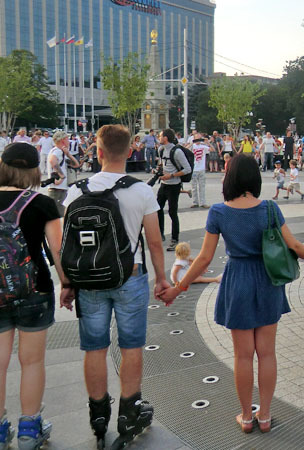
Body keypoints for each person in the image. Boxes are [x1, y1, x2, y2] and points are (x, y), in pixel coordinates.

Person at [157, 154, 304, 433]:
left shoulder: (219, 212)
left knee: (243, 356)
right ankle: (266, 416)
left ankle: (247, 417)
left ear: (230, 178)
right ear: (255, 178)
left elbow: (204, 258)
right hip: (268, 281)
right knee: (267, 354)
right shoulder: (269, 209)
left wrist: (178, 288)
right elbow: (295, 247)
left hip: (237, 281)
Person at [61, 124, 170, 449]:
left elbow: (69, 244)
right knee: (131, 345)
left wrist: (67, 282)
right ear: (130, 151)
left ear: (98, 151)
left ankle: (98, 416)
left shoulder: (76, 191)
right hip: (130, 276)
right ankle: (129, 412)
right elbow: (154, 242)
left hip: (89, 280)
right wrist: (161, 279)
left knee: (94, 347)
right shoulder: (141, 191)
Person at [0, 143, 66, 450]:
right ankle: (29, 429)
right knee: (32, 361)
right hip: (35, 289)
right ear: (33, 170)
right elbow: (57, 250)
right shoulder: (42, 203)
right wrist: (67, 284)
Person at [156, 129, 192, 251]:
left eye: (160, 136)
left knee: (172, 212)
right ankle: (160, 234)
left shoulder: (177, 152)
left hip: (174, 185)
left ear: (165, 138)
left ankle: (174, 239)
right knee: (157, 208)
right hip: (164, 184)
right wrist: (159, 170)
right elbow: (163, 164)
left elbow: (187, 169)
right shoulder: (161, 150)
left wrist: (171, 175)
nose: (159, 138)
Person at [46, 131, 80, 216]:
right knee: (59, 214)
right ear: (63, 140)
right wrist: (62, 176)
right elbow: (52, 160)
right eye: (67, 139)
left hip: (59, 188)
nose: (69, 141)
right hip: (58, 189)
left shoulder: (59, 152)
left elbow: (76, 164)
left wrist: (68, 154)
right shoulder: (58, 151)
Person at [190, 136, 210, 209]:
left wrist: (207, 142)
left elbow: (212, 149)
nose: (198, 140)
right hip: (194, 169)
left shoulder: (203, 146)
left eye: (199, 139)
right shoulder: (192, 146)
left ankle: (203, 202)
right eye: (196, 139)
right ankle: (195, 202)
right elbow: (184, 149)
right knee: (194, 187)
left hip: (201, 168)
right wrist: (191, 143)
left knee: (202, 186)